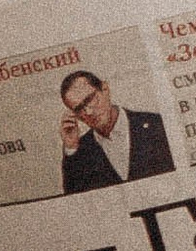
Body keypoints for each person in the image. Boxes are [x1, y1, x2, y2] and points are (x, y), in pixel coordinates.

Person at [58, 66, 174, 194]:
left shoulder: (157, 124)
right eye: (79, 108)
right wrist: (71, 148)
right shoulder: (80, 152)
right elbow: (75, 200)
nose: (89, 111)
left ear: (105, 89)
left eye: (89, 99)